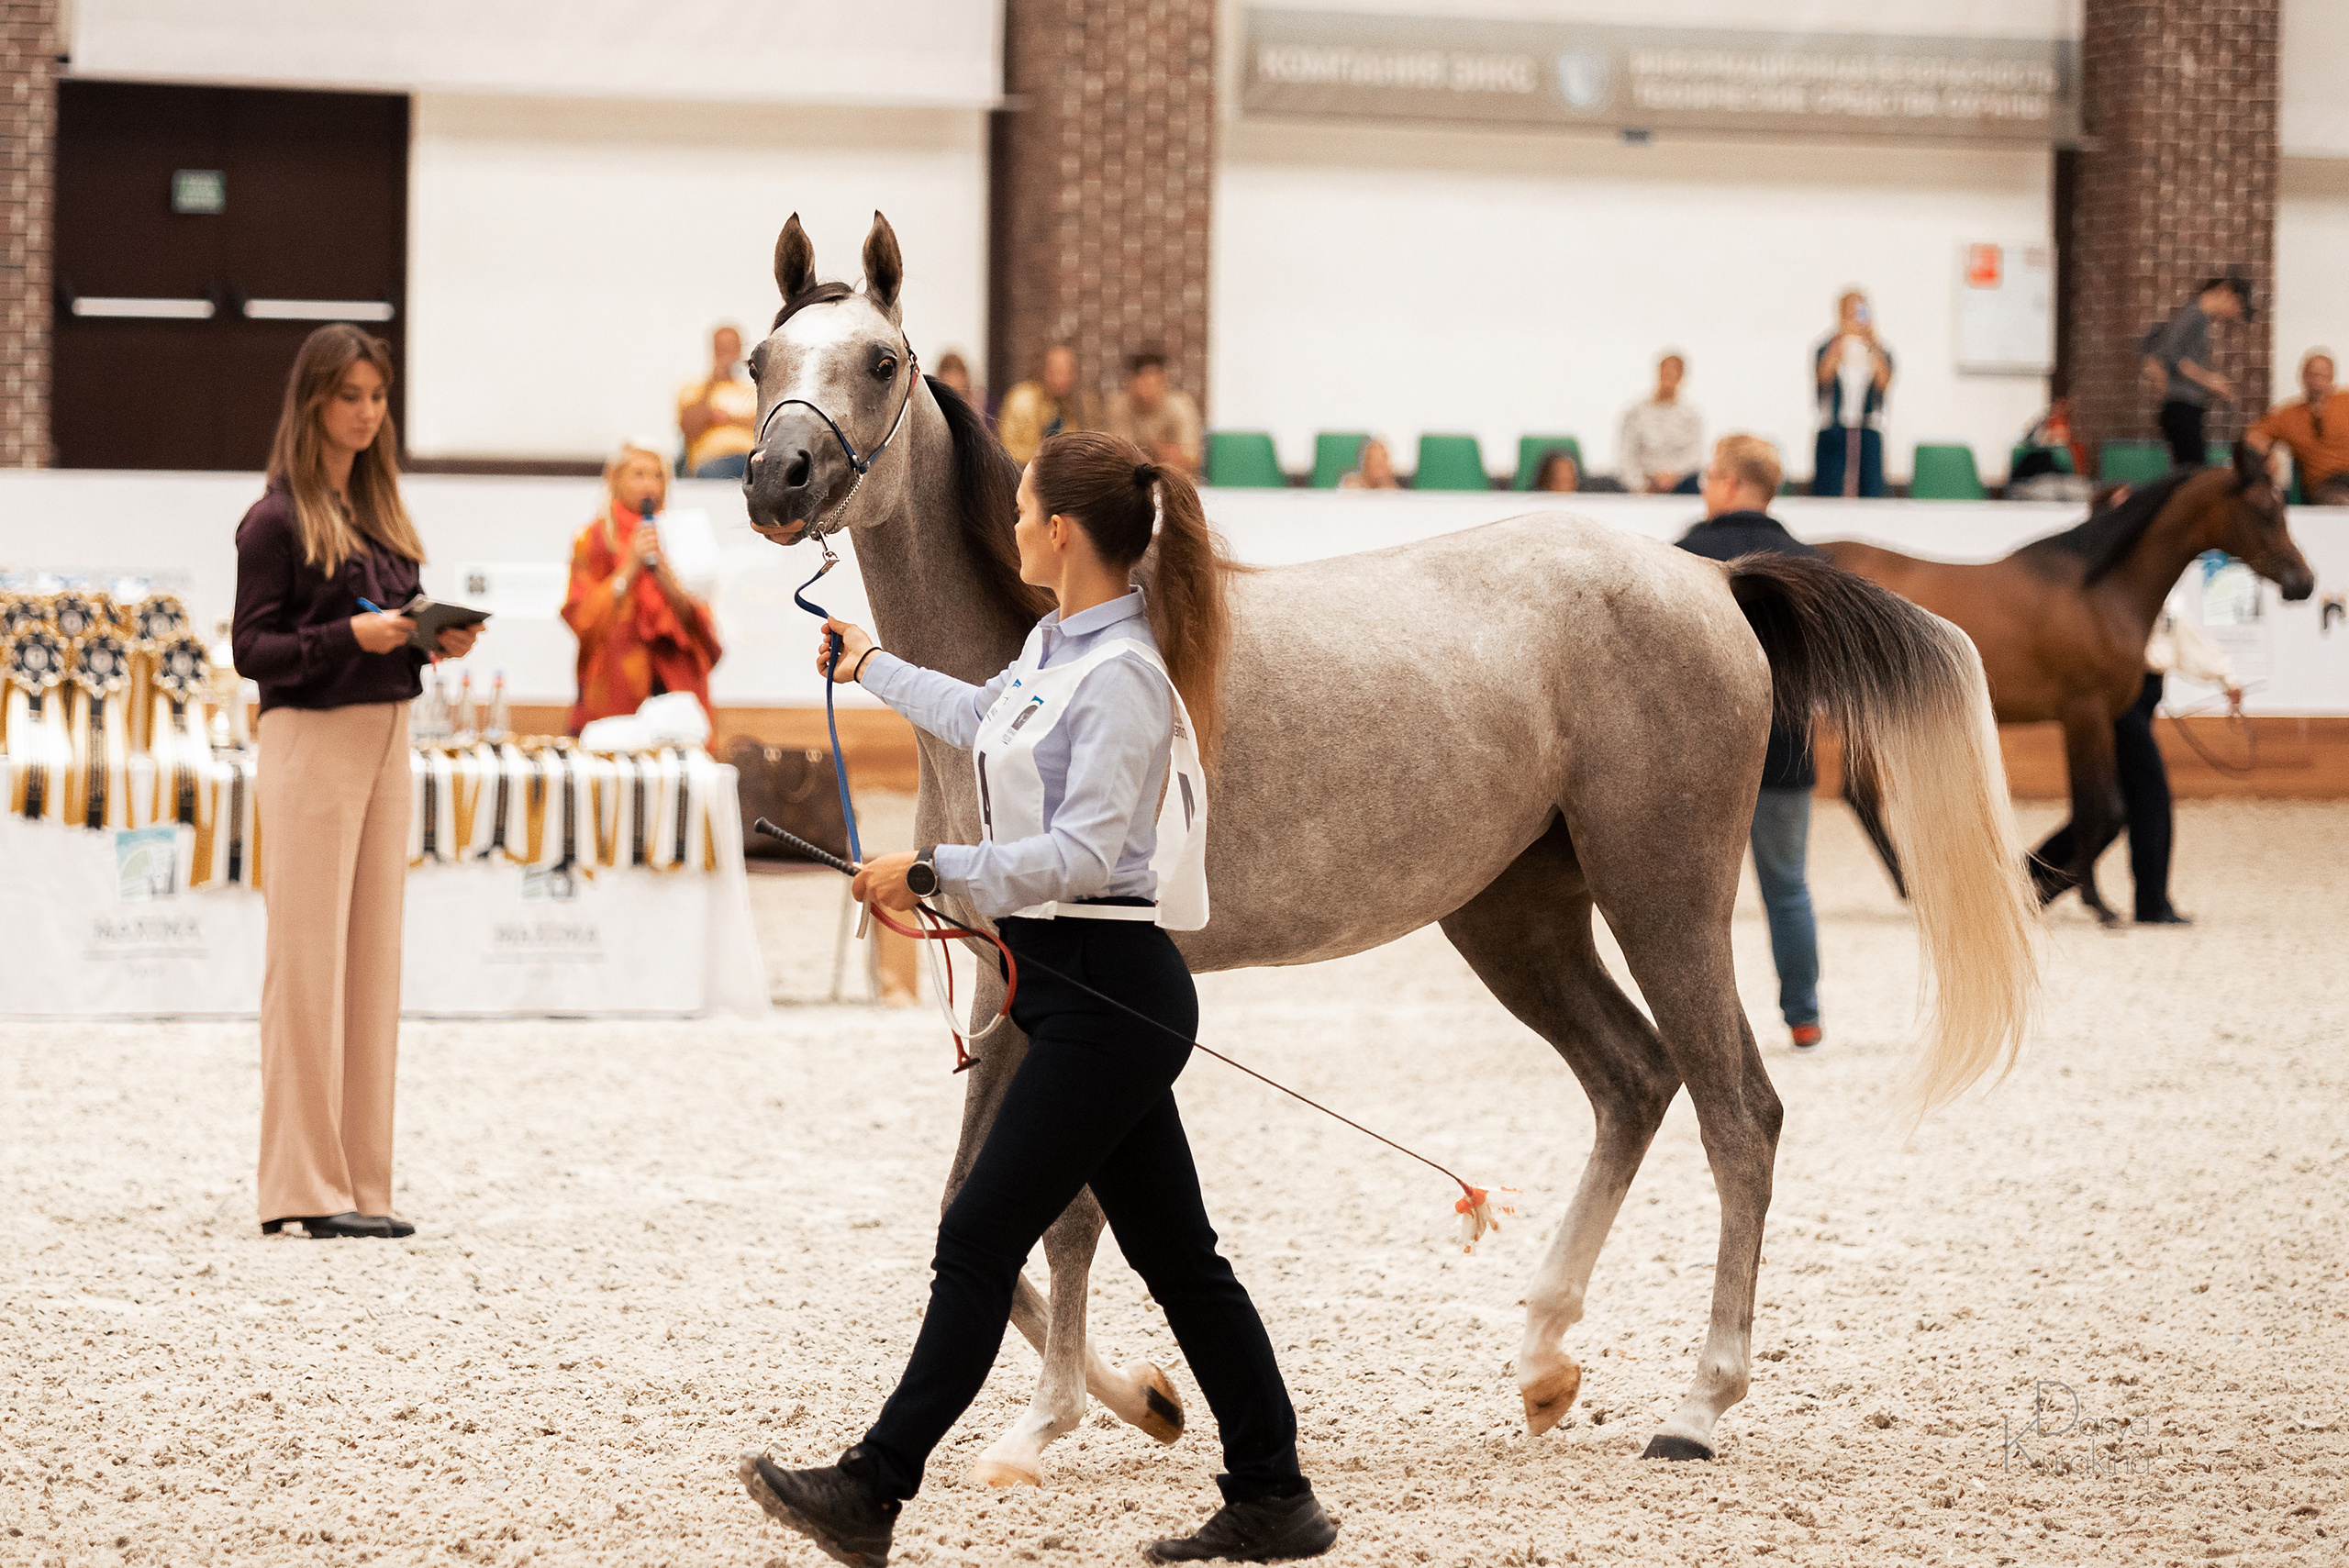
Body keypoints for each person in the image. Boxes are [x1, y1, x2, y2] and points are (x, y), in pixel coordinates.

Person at [742, 432, 1337, 1566]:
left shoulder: (1122, 679)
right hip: (1071, 993)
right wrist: (870, 662)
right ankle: (1274, 1489)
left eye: (1021, 510)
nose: (1011, 524)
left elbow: (1080, 852)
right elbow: (983, 722)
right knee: (1181, 1257)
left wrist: (930, 871)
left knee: (976, 1231)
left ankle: (872, 1485)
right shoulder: (1054, 650)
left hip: (1111, 991)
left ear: (1062, 531)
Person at [232, 324, 482, 1240]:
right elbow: (251, 647)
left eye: (377, 396)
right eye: (351, 396)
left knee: (372, 961)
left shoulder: (383, 519)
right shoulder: (273, 519)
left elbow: (389, 625)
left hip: (386, 736)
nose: (367, 412)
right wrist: (351, 637)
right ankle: (299, 1184)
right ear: (315, 403)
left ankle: (361, 1181)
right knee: (305, 963)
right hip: (309, 742)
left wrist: (430, 635)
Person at [2031, 484, 2243, 924]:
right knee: (2145, 797)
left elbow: (2180, 631)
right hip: (2113, 693)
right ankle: (2150, 901)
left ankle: (2027, 874)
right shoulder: (2099, 585)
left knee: (2118, 802)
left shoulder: (2147, 580)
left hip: (2143, 695)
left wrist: (2225, 675)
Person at [1675, 435, 1824, 1050]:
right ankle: (1805, 1013)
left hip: (1701, 755)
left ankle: (1698, 1029)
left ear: (1733, 483)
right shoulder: (1811, 563)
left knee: (1691, 900)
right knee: (1788, 887)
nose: (1705, 486)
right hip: (1785, 749)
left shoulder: (1683, 556)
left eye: (1710, 475)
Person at [561, 441, 724, 734]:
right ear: (616, 479)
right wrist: (630, 567)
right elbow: (583, 620)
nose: (650, 485)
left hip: (675, 685)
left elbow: (705, 629)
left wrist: (667, 581)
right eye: (638, 474)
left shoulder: (682, 534)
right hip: (616, 684)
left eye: (658, 476)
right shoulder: (593, 539)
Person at [2140, 275, 2249, 469]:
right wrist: (2209, 380)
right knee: (2193, 474)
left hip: (2183, 407)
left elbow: (2152, 344)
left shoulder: (2196, 315)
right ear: (2225, 290)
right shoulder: (2195, 313)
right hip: (2182, 406)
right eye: (2237, 303)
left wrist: (2159, 374)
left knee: (2188, 472)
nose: (2234, 312)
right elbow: (2168, 351)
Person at [1811, 290, 1893, 498]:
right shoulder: (1827, 346)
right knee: (1830, 488)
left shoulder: (1879, 350)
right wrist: (1841, 339)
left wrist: (1871, 342)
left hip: (1867, 428)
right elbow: (1823, 377)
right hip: (1834, 428)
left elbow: (1884, 382)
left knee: (1870, 488)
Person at [2247, 348, 2349, 504]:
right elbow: (2253, 435)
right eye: (2313, 374)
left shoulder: (2345, 400)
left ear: (2332, 377)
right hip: (2327, 484)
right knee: (2342, 506)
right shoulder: (2288, 415)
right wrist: (2267, 453)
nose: (2318, 380)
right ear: (2303, 377)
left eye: (2324, 374)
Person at [996, 345, 1103, 466]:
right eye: (1055, 371)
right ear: (1043, 370)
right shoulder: (1021, 399)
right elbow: (1007, 448)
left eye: (1066, 372)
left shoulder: (1076, 405)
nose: (1060, 379)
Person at [678, 324, 759, 479]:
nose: (726, 353)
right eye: (721, 347)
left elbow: (762, 425)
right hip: (712, 461)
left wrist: (723, 419)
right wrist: (712, 383)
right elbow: (690, 427)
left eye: (731, 346)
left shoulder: (752, 389)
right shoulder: (693, 389)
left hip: (752, 459)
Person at [1107, 350, 1203, 476]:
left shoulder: (1180, 406)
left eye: (1152, 382)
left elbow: (1193, 457)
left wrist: (1175, 455)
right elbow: (1119, 456)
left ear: (1164, 380)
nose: (1146, 389)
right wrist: (1157, 452)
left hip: (1175, 477)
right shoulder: (1119, 407)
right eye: (1142, 380)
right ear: (1129, 381)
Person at [1619, 352, 1705, 494]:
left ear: (1681, 377)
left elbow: (1695, 454)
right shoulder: (1636, 412)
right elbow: (1627, 454)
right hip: (1643, 487)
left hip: (1681, 485)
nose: (1668, 378)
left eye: (1673, 373)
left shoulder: (1691, 415)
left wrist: (1673, 474)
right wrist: (1640, 485)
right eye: (1665, 372)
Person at [1337, 437, 1401, 490]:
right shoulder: (1352, 484)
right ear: (1366, 463)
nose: (1377, 465)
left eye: (1381, 462)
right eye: (1373, 459)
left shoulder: (1391, 489)